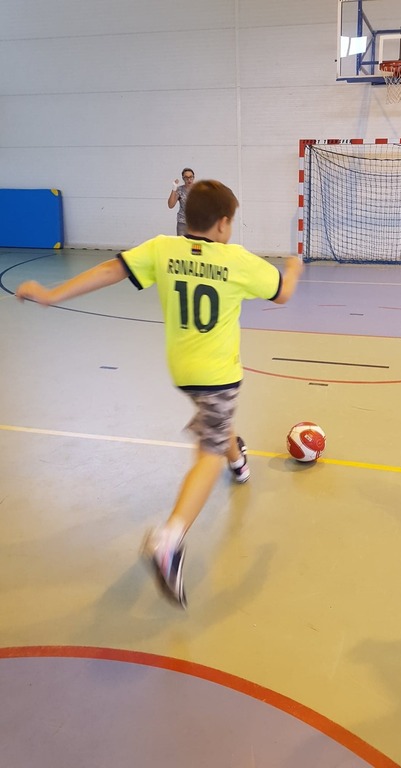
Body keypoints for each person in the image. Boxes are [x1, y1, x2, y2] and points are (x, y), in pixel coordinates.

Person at [16, 179, 304, 608]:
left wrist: (52, 294)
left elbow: (109, 270)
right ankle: (169, 541)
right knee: (207, 453)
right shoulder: (238, 261)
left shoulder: (162, 249)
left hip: (184, 371)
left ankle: (239, 461)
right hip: (217, 374)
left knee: (217, 422)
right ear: (223, 224)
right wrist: (294, 268)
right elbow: (283, 294)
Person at [168, 167, 195, 235]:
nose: (189, 179)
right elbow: (171, 205)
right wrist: (174, 189)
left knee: (195, 242)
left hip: (196, 223)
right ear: (183, 178)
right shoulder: (180, 190)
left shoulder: (199, 189)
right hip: (182, 223)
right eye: (186, 177)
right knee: (182, 241)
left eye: (191, 177)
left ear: (193, 177)